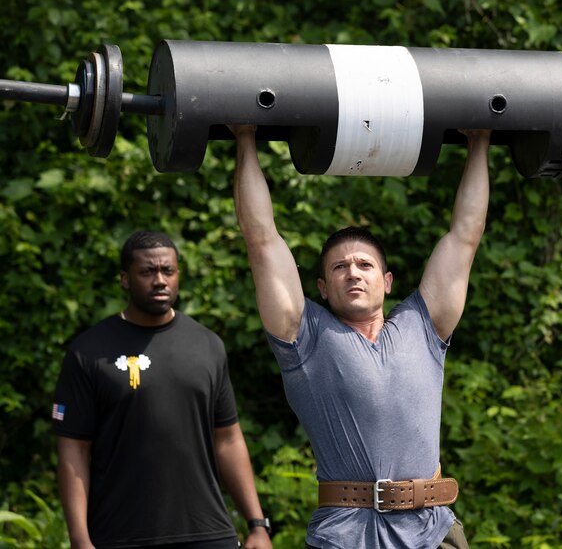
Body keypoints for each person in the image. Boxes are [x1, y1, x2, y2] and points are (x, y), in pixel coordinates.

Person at [231, 124, 491, 548]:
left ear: (387, 281)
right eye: (339, 267)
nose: (353, 272)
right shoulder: (303, 334)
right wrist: (245, 137)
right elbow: (261, 240)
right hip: (347, 535)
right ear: (321, 287)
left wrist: (479, 141)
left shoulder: (423, 325)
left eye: (365, 265)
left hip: (433, 532)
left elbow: (465, 236)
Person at [52, 230, 273, 549]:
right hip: (121, 535)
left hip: (208, 533)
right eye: (147, 272)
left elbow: (228, 438)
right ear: (125, 279)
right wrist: (79, 539)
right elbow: (74, 450)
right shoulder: (89, 351)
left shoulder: (207, 345)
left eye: (167, 271)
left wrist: (257, 524)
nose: (159, 280)